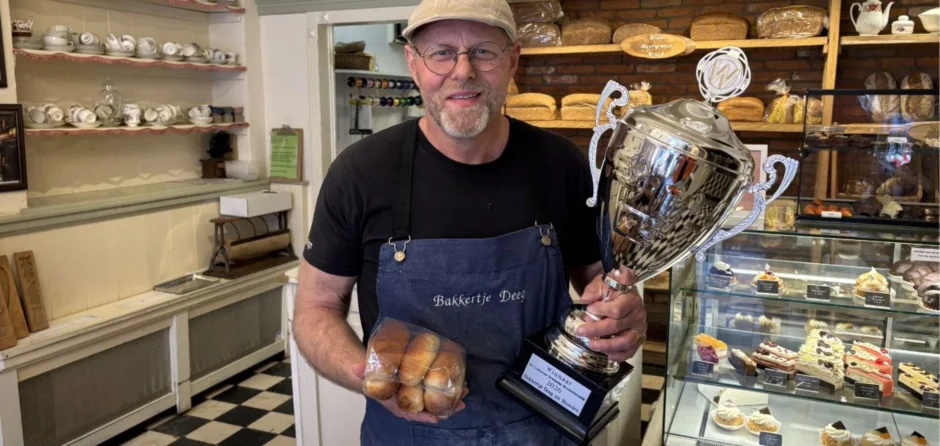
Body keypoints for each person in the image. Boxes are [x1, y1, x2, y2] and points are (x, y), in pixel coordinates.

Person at [293, 0, 647, 444]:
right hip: (409, 433)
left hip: (540, 432)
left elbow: (599, 281)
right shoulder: (361, 173)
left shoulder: (560, 165)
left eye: (484, 51)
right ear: (414, 64)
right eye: (441, 52)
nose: (463, 71)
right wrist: (366, 373)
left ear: (512, 60)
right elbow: (315, 309)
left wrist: (623, 317)